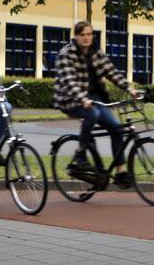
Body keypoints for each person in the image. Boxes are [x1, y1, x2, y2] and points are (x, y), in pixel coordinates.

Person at [53, 21, 140, 186]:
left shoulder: (96, 52)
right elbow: (69, 82)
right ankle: (80, 154)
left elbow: (111, 72)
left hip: (93, 98)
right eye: (82, 35)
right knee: (92, 113)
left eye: (89, 34)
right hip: (70, 99)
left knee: (116, 127)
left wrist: (129, 88)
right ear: (76, 36)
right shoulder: (66, 54)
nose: (86, 38)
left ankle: (120, 172)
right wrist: (82, 98)